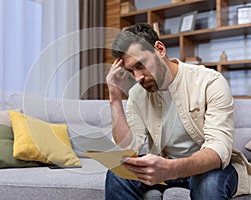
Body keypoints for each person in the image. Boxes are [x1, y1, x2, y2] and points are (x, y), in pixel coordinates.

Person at [105, 23, 251, 200]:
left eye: (141, 65)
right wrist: (114, 98)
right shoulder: (137, 94)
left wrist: (170, 169)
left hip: (208, 168)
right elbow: (127, 149)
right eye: (130, 71)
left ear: (159, 49)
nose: (138, 78)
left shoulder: (210, 82)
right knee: (118, 172)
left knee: (208, 185)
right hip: (164, 166)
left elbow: (218, 150)